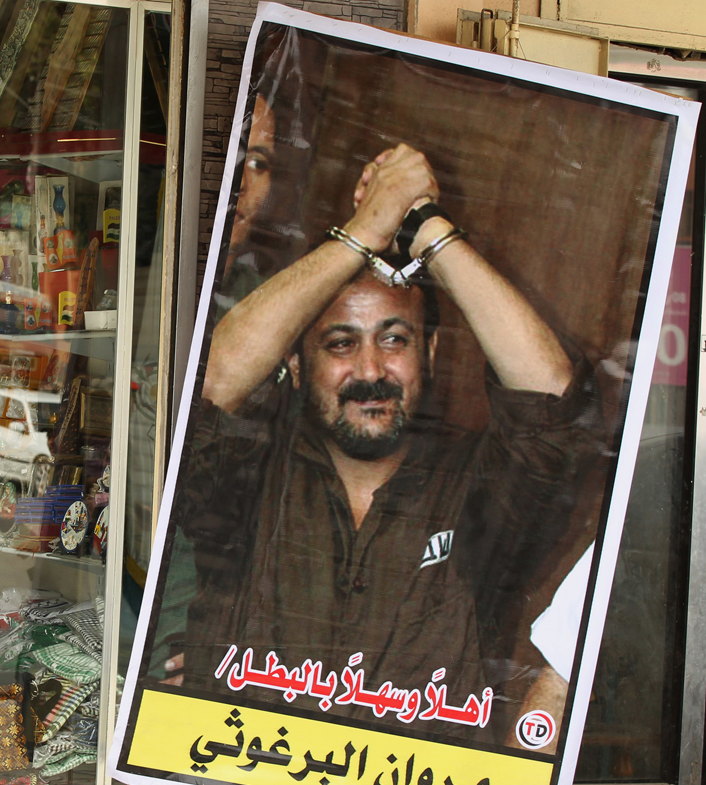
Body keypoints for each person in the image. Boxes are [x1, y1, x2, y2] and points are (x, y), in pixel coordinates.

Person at [167, 144, 600, 738]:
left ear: (430, 355)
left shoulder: (478, 492)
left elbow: (552, 401)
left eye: (394, 340)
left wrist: (426, 231)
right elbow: (210, 384)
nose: (370, 370)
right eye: (340, 344)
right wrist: (362, 233)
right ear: (293, 363)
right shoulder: (249, 477)